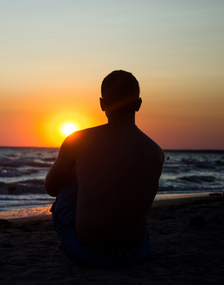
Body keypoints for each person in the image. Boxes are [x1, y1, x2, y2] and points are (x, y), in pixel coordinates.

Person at [45, 70, 164, 267]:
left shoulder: (78, 140)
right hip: (137, 252)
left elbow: (51, 188)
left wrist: (78, 172)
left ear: (102, 104)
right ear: (139, 104)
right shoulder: (156, 152)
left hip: (85, 251)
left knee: (70, 180)